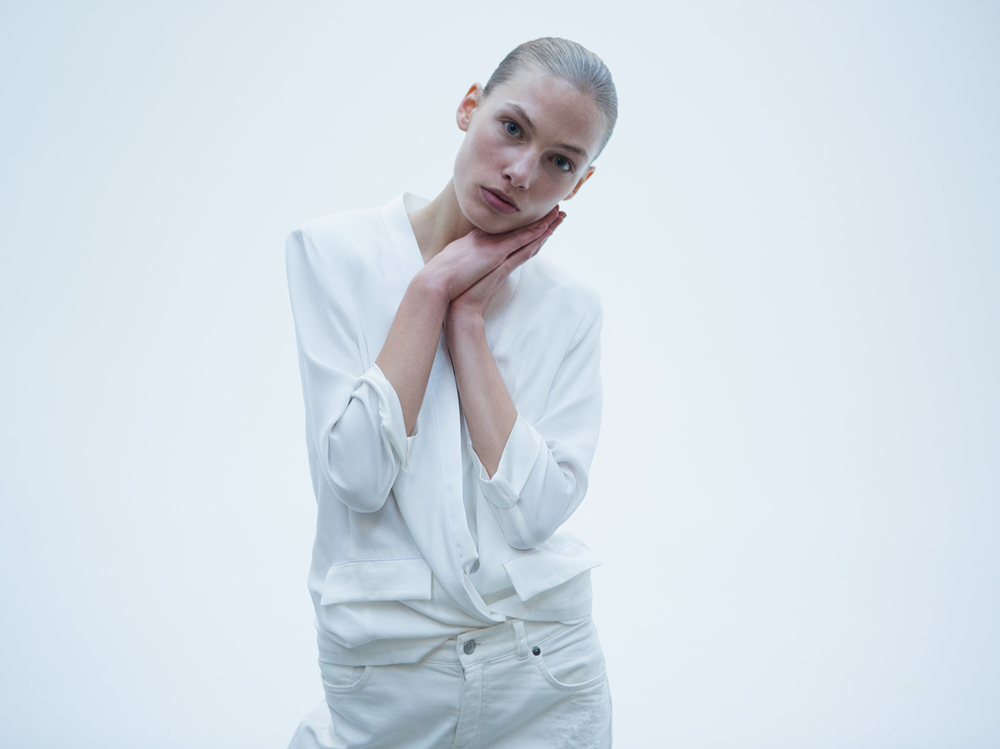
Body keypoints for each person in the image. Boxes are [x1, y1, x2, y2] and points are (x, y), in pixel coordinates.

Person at [284, 37, 618, 749]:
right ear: (470, 106)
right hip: (389, 674)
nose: (522, 171)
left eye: (560, 162)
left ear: (580, 183)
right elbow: (358, 477)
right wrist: (430, 289)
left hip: (546, 671)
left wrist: (468, 323)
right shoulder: (331, 253)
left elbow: (534, 515)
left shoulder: (571, 309)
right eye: (512, 128)